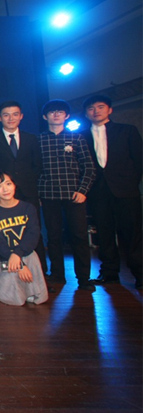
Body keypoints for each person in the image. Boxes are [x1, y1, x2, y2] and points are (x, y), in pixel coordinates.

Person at [83, 95, 143, 289]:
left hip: (126, 190)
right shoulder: (81, 136)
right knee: (104, 234)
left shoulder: (127, 130)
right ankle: (109, 273)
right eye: (91, 108)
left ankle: (140, 274)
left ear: (110, 110)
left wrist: (131, 183)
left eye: (100, 107)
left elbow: (139, 160)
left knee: (132, 233)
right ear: (86, 113)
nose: (96, 111)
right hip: (98, 192)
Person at [38, 99, 96, 291]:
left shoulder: (77, 138)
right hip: (49, 195)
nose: (56, 115)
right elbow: (35, 169)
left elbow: (89, 168)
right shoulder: (39, 140)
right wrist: (38, 193)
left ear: (67, 116)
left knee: (79, 236)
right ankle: (57, 275)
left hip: (74, 195)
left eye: (60, 112)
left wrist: (83, 190)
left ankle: (84, 278)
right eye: (52, 112)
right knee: (53, 237)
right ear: (45, 116)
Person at [0, 101, 44, 274]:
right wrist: (1, 186)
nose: (11, 118)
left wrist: (23, 183)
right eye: (6, 115)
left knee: (33, 233)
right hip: (2, 196)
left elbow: (37, 166)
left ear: (21, 116)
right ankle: (10, 269)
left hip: (28, 192)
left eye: (15, 114)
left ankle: (39, 272)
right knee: (3, 233)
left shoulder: (31, 139)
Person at [0, 172, 48, 306]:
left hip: (23, 254)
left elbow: (33, 235)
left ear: (14, 185)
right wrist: (19, 265)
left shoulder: (28, 208)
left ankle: (29, 291)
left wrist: (18, 255)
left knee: (32, 257)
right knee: (16, 300)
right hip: (0, 257)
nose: (5, 189)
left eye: (8, 184)